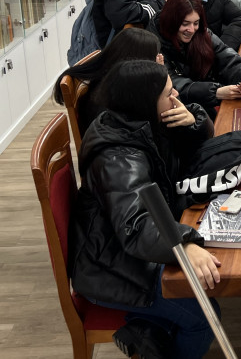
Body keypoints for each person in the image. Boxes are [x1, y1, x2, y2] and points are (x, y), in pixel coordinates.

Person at [70, 60, 220, 359]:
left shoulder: (138, 122)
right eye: (168, 93)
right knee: (205, 314)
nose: (176, 95)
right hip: (111, 267)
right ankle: (152, 329)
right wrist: (183, 243)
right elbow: (137, 224)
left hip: (122, 251)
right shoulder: (118, 158)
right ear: (144, 100)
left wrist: (193, 122)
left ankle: (149, 329)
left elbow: (189, 154)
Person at [156, 0, 241, 118]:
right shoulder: (154, 44)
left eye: (196, 23)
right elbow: (174, 86)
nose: (191, 30)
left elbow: (228, 59)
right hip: (182, 112)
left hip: (203, 105)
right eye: (185, 24)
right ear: (171, 21)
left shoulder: (202, 33)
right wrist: (215, 92)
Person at [54, 27, 164, 132]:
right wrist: (160, 77)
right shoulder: (111, 104)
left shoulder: (112, 86)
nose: (159, 59)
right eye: (154, 56)